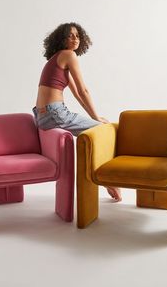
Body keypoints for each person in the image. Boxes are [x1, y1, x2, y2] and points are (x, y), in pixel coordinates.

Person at [32, 22, 122, 202]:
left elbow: (76, 94)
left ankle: (105, 179)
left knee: (97, 129)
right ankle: (108, 180)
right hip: (55, 113)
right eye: (70, 35)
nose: (75, 39)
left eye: (78, 36)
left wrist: (94, 118)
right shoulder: (68, 55)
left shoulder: (57, 59)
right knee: (106, 131)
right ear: (61, 39)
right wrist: (96, 118)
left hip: (42, 117)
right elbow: (83, 91)